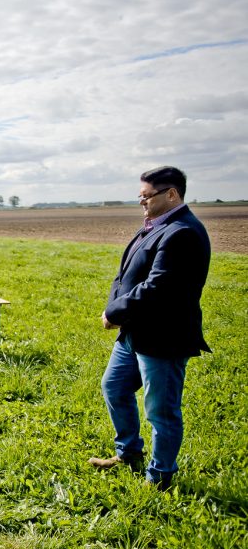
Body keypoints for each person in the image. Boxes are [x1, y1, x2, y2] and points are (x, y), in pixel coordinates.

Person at [89, 166, 211, 491]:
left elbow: (159, 287)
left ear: (171, 194)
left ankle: (160, 478)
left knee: (161, 411)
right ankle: (128, 453)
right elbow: (127, 273)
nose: (141, 202)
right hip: (134, 334)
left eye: (146, 196)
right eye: (140, 195)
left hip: (163, 338)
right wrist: (117, 306)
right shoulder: (156, 226)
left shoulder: (182, 232)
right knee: (114, 388)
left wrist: (114, 312)